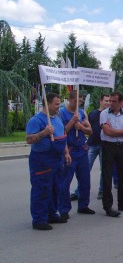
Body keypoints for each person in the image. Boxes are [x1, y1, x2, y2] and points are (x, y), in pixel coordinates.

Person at [26, 92, 70, 230]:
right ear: (47, 103)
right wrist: (44, 133)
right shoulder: (36, 120)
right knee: (42, 189)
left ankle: (52, 214)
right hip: (42, 159)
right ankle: (39, 219)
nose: (59, 107)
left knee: (56, 188)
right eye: (56, 104)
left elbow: (62, 136)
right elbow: (29, 139)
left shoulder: (57, 118)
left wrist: (66, 152)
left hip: (57, 158)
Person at [58, 90, 94, 218]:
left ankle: (83, 205)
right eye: (76, 101)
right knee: (65, 181)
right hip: (70, 150)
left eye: (80, 101)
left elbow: (90, 130)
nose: (78, 103)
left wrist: (82, 127)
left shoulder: (82, 113)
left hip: (82, 150)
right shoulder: (61, 113)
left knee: (85, 180)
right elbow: (61, 131)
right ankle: (64, 209)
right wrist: (72, 122)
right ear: (70, 99)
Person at [100, 91, 123, 217]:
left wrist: (114, 131)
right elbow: (107, 132)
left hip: (122, 147)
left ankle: (122, 203)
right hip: (108, 146)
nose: (110, 103)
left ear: (121, 102)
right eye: (109, 101)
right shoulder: (104, 113)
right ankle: (108, 206)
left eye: (114, 101)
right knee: (107, 177)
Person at [86, 94, 109, 200]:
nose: (108, 103)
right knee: (85, 169)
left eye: (109, 101)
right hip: (91, 145)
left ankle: (102, 191)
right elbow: (87, 127)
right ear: (100, 101)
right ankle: (80, 191)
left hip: (104, 145)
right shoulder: (93, 113)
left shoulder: (110, 115)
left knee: (104, 170)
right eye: (106, 101)